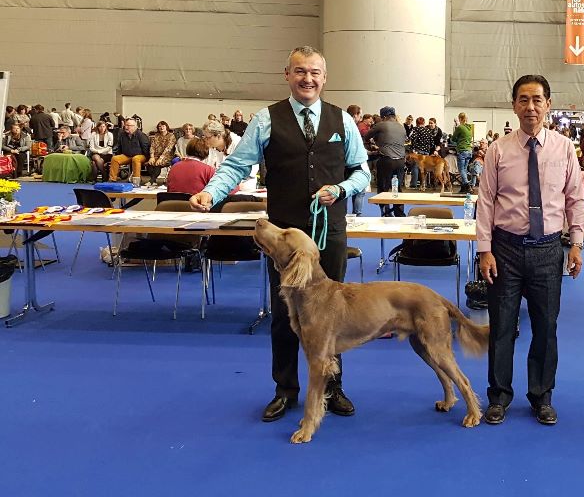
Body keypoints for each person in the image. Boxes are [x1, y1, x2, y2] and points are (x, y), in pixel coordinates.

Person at [189, 45, 370, 423]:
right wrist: (212, 192)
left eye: (315, 72)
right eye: (300, 71)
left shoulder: (343, 121)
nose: (308, 79)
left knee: (333, 314)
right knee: (286, 315)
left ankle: (332, 388)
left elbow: (362, 173)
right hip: (284, 239)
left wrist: (340, 189)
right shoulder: (266, 119)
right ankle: (285, 389)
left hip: (328, 233)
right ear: (287, 75)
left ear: (325, 77)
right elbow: (236, 166)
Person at [476, 74, 584, 427]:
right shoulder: (498, 150)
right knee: (502, 327)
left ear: (548, 105)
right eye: (523, 99)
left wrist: (577, 244)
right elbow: (486, 203)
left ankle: (541, 396)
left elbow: (574, 199)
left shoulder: (564, 148)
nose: (531, 107)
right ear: (514, 105)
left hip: (548, 250)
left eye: (537, 99)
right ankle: (499, 396)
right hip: (504, 250)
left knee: (545, 327)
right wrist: (484, 250)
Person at [365, 106, 408, 216]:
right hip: (400, 161)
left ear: (383, 116)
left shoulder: (381, 125)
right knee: (397, 188)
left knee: (383, 188)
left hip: (386, 160)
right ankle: (399, 213)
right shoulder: (401, 127)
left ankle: (386, 213)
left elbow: (366, 136)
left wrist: (376, 141)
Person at [109, 117, 150, 181]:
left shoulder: (141, 135)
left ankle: (136, 180)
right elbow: (119, 147)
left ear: (134, 126)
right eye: (126, 125)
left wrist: (147, 159)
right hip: (127, 155)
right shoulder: (122, 134)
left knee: (136, 159)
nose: (126, 127)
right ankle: (112, 179)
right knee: (115, 159)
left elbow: (146, 148)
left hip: (141, 156)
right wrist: (118, 154)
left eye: (128, 125)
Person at [453, 112, 474, 193]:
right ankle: (463, 188)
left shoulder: (460, 127)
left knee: (461, 170)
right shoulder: (469, 128)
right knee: (464, 169)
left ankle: (467, 186)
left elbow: (453, 139)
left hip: (462, 150)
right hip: (469, 151)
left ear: (460, 119)